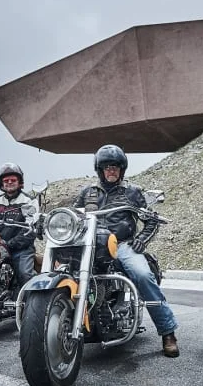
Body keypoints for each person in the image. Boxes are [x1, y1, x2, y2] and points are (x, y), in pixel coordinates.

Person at [73, 145, 180, 358]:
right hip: (90, 245)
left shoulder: (132, 191)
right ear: (99, 170)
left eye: (115, 167)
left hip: (121, 245)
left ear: (122, 170)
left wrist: (140, 240)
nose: (111, 171)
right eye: (107, 167)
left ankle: (168, 332)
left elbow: (151, 220)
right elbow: (75, 217)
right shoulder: (88, 192)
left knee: (142, 275)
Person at [0, 163, 39, 289]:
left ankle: (28, 305)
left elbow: (31, 230)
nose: (9, 182)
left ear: (20, 182)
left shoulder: (29, 201)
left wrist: (9, 244)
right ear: (1, 183)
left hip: (21, 249)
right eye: (6, 180)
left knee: (25, 274)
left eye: (13, 180)